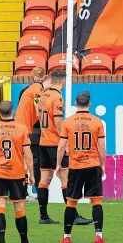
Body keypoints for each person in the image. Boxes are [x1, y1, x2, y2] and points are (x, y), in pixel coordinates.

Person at [37, 70, 92, 226]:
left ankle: (43, 216)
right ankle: (73, 215)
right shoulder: (57, 97)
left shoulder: (43, 96)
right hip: (55, 144)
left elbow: (38, 115)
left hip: (43, 143)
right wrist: (65, 142)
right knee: (66, 179)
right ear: (63, 81)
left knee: (44, 180)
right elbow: (58, 121)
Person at [56, 91, 106, 243]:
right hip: (92, 165)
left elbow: (61, 146)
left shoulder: (68, 122)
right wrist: (102, 164)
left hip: (75, 166)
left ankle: (66, 237)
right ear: (89, 104)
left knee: (71, 202)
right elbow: (102, 146)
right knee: (96, 201)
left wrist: (58, 164)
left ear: (76, 104)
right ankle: (98, 236)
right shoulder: (97, 122)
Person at [0, 100, 34, 243]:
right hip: (17, 173)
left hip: (0, 172)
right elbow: (29, 155)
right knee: (19, 208)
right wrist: (31, 174)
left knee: (0, 207)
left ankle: (2, 241)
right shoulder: (21, 129)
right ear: (12, 111)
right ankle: (24, 240)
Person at [16, 67, 51, 193]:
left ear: (32, 76)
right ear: (45, 77)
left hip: (23, 128)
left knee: (25, 160)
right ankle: (29, 191)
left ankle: (22, 191)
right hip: (29, 130)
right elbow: (38, 106)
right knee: (33, 160)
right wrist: (43, 125)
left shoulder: (25, 90)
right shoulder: (38, 88)